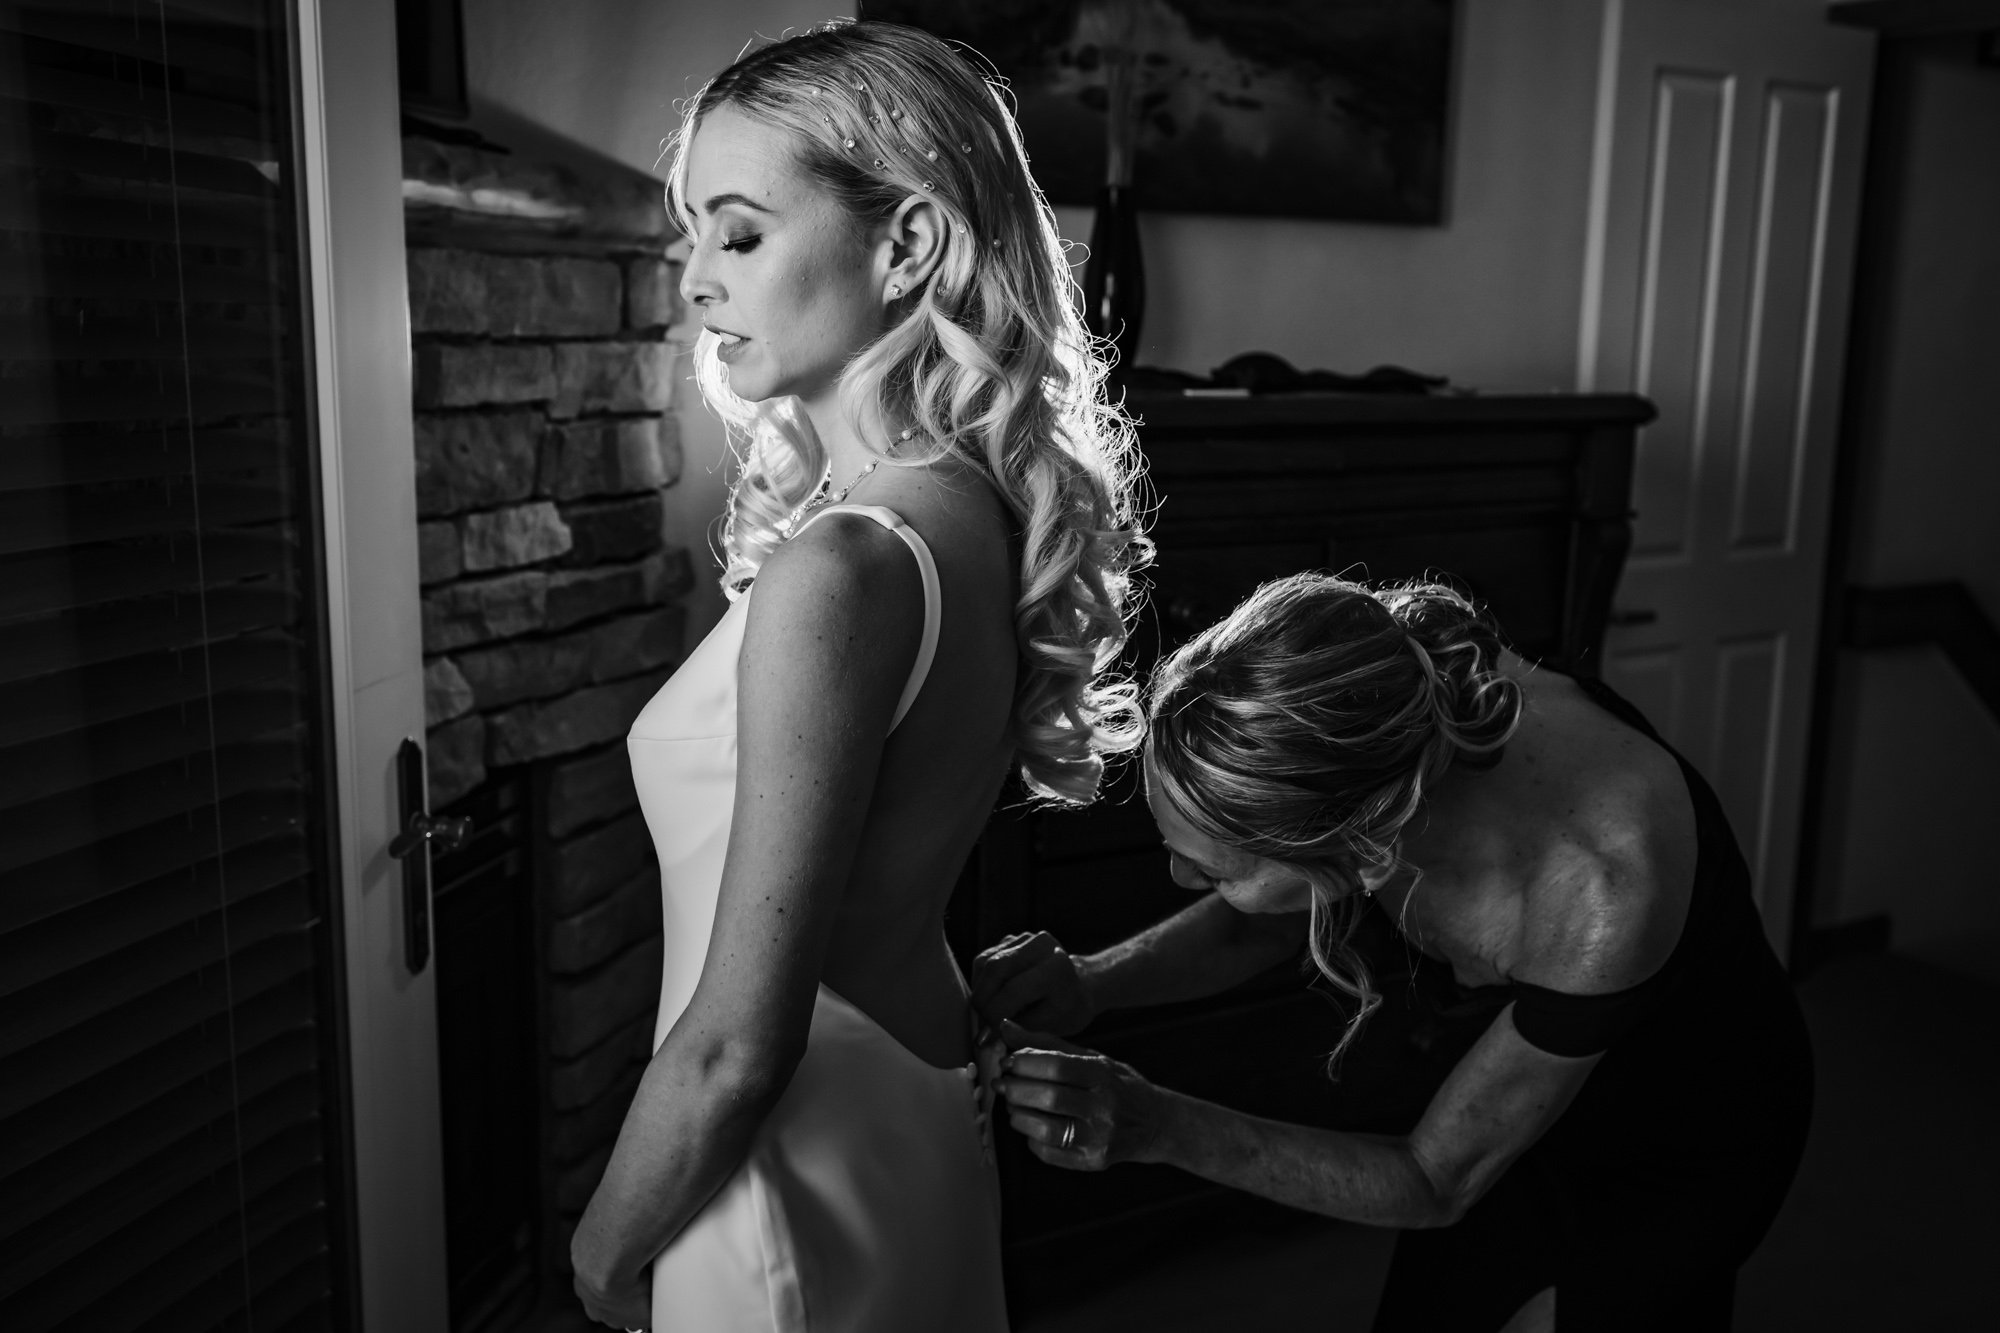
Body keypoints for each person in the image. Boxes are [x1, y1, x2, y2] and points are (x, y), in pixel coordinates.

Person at [567, 20, 1148, 1332]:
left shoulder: (845, 565)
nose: (698, 277)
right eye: (694, 230)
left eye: (741, 232)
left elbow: (733, 1047)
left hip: (781, 1159)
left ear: (910, 244)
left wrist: (603, 1257)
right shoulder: (973, 512)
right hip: (913, 1098)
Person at [975, 573, 1814, 1332]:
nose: (1178, 876)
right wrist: (1092, 983)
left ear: (1365, 846)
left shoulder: (1599, 893)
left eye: (1218, 870)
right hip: (1515, 1093)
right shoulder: (1368, 693)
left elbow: (1431, 1179)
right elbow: (1286, 893)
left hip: (1683, 1135)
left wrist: (1156, 1123)